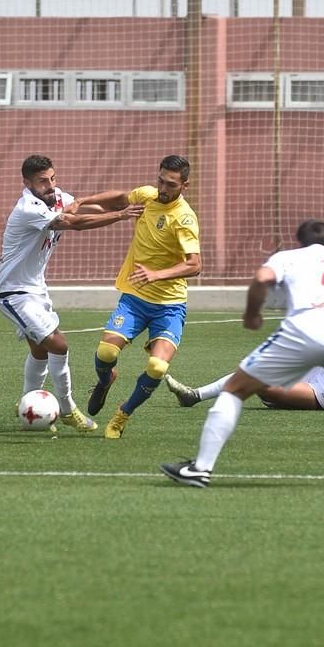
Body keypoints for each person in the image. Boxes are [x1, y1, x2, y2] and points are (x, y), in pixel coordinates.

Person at [160, 219, 324, 489]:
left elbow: (262, 278)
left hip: (303, 330)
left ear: (299, 242)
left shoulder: (288, 257)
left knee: (236, 389)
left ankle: (201, 468)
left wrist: (252, 314)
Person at [0, 154, 144, 433]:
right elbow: (74, 223)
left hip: (35, 289)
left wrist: (124, 203)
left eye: (52, 178)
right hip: (12, 292)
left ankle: (26, 405)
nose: (50, 186)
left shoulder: (57, 196)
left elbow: (91, 208)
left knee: (40, 351)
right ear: (27, 183)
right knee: (59, 345)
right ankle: (67, 409)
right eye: (42, 182)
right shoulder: (29, 208)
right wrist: (121, 215)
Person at [81, 155, 201, 439]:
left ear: (185, 185)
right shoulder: (147, 196)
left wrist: (156, 274)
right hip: (135, 298)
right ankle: (105, 380)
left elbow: (195, 264)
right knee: (106, 353)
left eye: (170, 184)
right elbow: (120, 198)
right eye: (160, 180)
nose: (162, 188)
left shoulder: (184, 218)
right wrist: (82, 201)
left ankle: (123, 414)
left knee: (158, 366)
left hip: (169, 306)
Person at [164, 319, 324, 412]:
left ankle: (278, 397)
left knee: (261, 384)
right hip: (310, 373)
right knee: (252, 371)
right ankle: (194, 396)